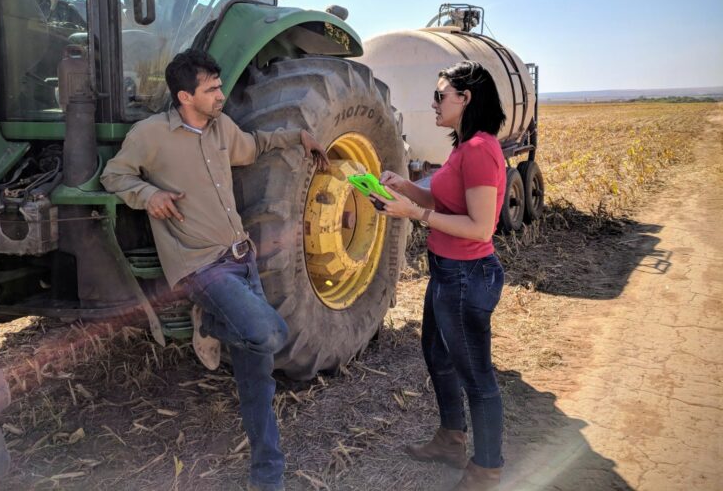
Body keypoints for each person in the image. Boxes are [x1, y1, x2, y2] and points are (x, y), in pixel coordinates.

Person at [101, 48, 329, 491]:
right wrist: (148, 195)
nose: (221, 94)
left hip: (240, 258)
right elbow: (115, 175)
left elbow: (255, 145)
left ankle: (268, 477)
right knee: (269, 334)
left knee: (258, 378)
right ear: (185, 96)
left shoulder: (222, 127)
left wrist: (296, 137)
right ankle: (210, 320)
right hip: (199, 265)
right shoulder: (150, 135)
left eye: (220, 86)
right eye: (212, 89)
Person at [372, 61, 508, 491]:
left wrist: (415, 213)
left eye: (440, 95)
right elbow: (447, 202)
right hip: (446, 273)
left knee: (477, 378)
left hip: (467, 276)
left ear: (465, 98)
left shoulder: (481, 150)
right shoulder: (463, 147)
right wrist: (406, 187)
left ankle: (486, 469)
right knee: (437, 357)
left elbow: (479, 227)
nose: (433, 103)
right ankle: (451, 440)